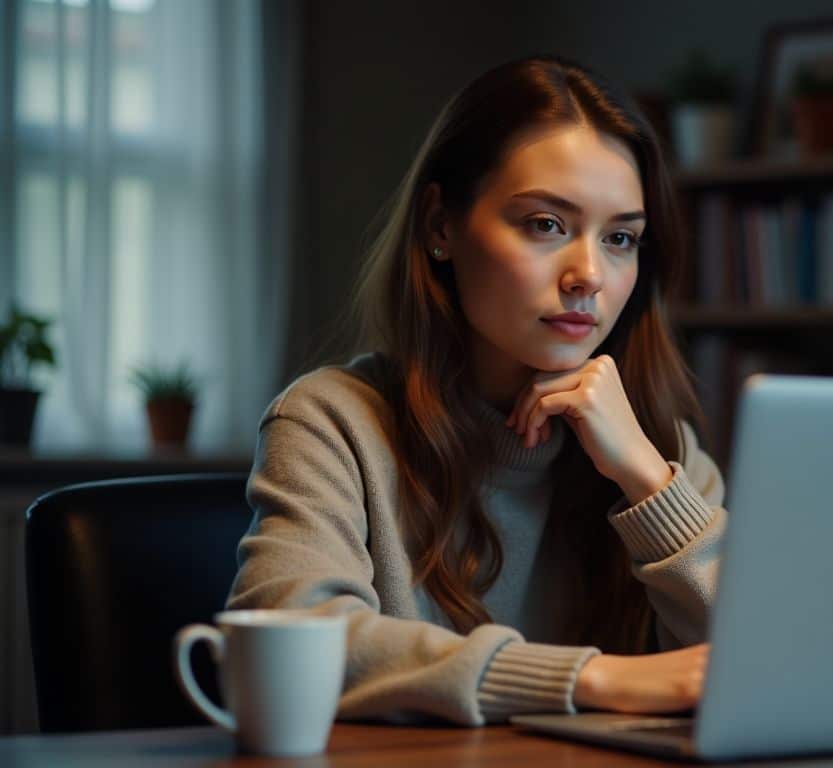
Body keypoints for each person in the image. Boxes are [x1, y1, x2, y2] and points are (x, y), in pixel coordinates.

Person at [226, 55, 726, 727]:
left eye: (620, 238)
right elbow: (293, 639)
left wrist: (648, 481)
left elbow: (771, 663)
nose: (589, 274)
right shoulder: (331, 423)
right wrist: (593, 678)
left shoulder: (660, 446)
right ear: (441, 226)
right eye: (545, 224)